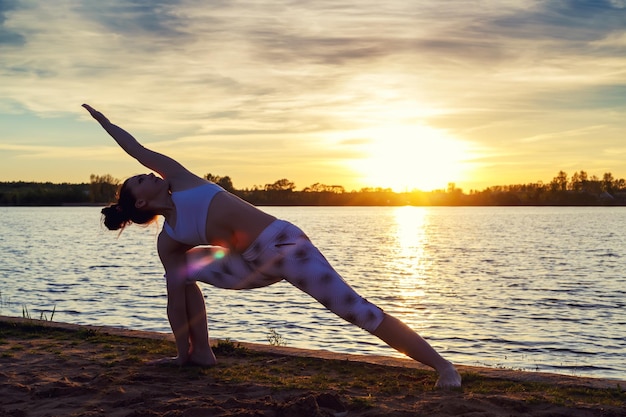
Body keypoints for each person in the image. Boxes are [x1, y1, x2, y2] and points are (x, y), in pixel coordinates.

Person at [82, 103, 462, 389]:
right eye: (141, 179)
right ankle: (196, 354)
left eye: (146, 172)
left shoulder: (180, 180)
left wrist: (106, 124)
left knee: (356, 310)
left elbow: (136, 148)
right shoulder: (170, 239)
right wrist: (179, 351)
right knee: (179, 274)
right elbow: (173, 299)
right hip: (249, 265)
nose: (149, 172)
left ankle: (444, 367)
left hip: (285, 246)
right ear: (143, 202)